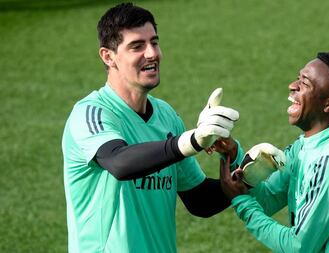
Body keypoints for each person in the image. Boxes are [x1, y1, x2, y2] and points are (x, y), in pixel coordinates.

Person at [62, 3, 241, 252]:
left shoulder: (167, 117)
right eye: (137, 46)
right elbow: (120, 163)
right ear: (108, 56)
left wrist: (248, 174)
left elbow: (199, 200)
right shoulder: (91, 113)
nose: (152, 54)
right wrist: (191, 142)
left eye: (154, 42)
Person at [218, 52, 329, 252]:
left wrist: (243, 202)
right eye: (299, 78)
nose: (292, 85)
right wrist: (233, 154)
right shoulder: (308, 145)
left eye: (305, 84)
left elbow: (299, 246)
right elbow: (267, 200)